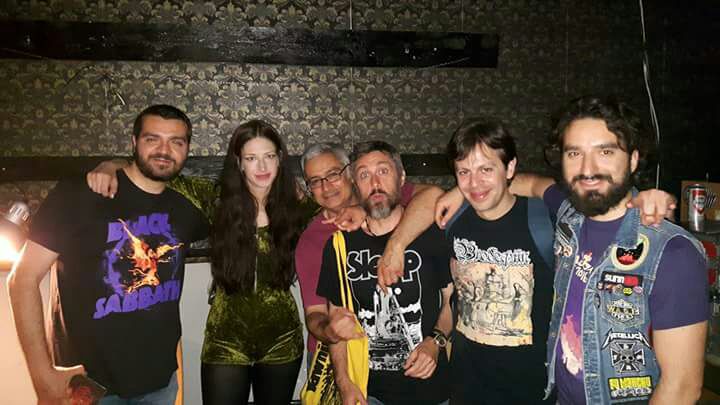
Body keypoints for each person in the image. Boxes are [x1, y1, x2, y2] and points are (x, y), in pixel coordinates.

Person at [7, 104, 210, 404]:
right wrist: (42, 375)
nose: (164, 151)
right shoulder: (78, 195)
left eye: (176, 142)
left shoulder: (188, 207)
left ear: (187, 149)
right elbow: (22, 279)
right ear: (134, 142)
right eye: (152, 139)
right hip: (90, 386)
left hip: (159, 382)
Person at [533, 96, 708, 404]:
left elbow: (681, 388)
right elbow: (529, 183)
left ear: (633, 159)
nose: (587, 169)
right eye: (574, 153)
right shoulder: (569, 213)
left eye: (605, 151)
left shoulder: (672, 253)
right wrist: (460, 194)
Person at [316, 141, 453, 405]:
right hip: (368, 393)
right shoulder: (339, 247)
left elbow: (452, 301)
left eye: (383, 171)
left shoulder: (431, 233)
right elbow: (338, 322)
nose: (375, 183)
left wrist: (435, 343)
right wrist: (344, 384)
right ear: (355, 186)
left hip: (431, 391)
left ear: (401, 178)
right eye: (364, 175)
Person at [440, 118, 555, 404]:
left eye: (486, 169)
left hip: (531, 389)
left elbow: (594, 199)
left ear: (510, 168)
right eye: (464, 172)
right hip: (467, 387)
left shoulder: (544, 220)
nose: (474, 183)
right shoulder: (452, 220)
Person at [296, 143, 443, 361]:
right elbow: (315, 313)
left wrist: (394, 244)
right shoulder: (311, 240)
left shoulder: (382, 197)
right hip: (331, 356)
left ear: (350, 174)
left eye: (333, 174)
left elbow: (434, 195)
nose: (326, 187)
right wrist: (330, 331)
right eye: (315, 181)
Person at [199, 120, 309, 405]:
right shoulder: (217, 202)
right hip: (226, 338)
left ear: (280, 158)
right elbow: (165, 179)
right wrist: (112, 165)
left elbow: (344, 204)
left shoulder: (299, 208)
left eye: (269, 156)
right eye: (251, 158)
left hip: (282, 339)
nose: (262, 166)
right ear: (239, 162)